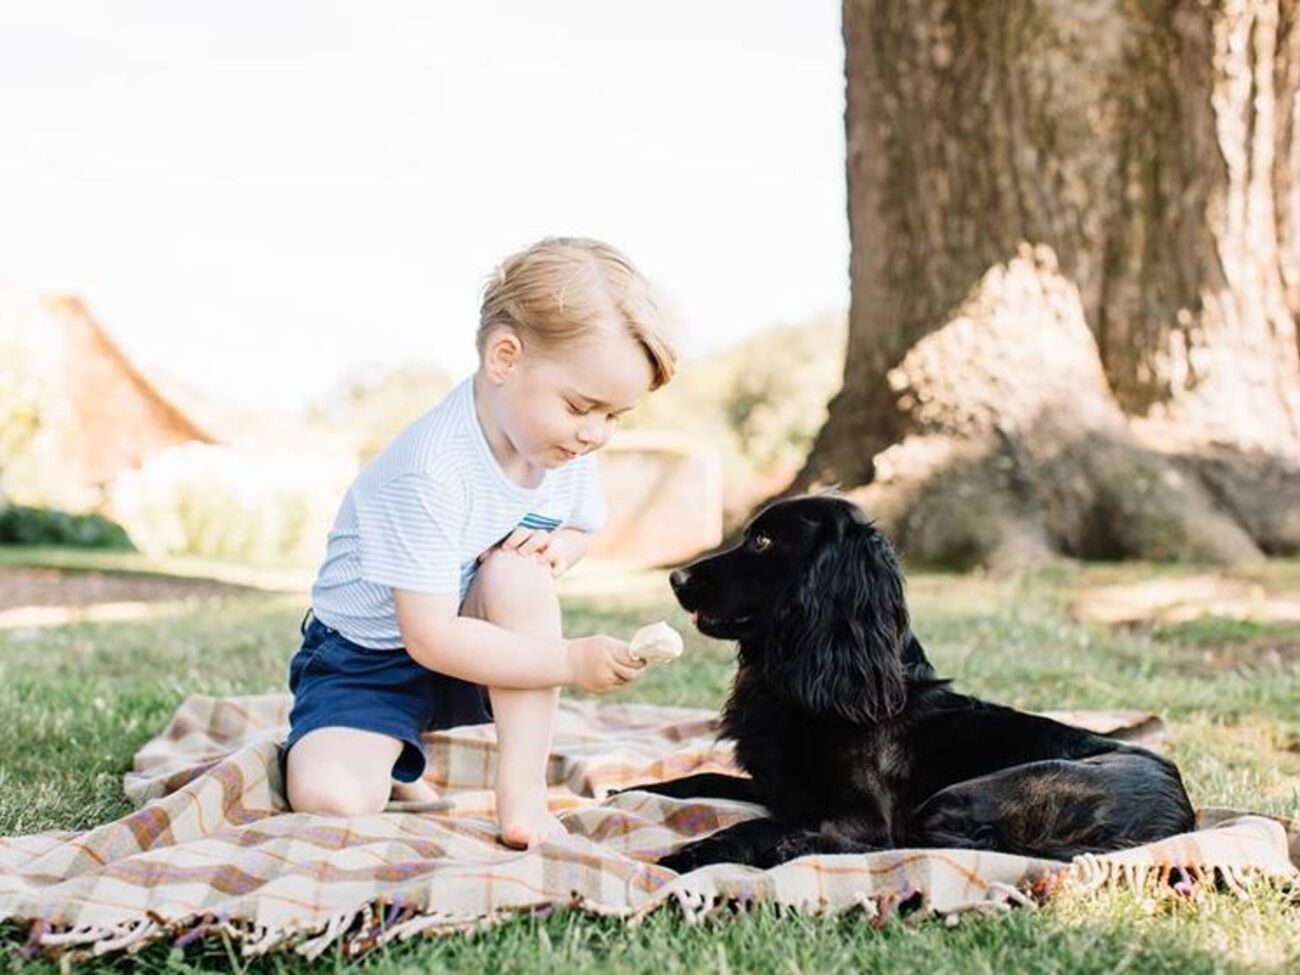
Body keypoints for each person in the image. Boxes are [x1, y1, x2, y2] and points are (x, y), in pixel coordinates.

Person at [281, 237, 678, 848]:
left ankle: (521, 796)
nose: (596, 433)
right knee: (332, 801)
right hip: (369, 660)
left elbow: (578, 527)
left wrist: (558, 551)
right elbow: (430, 637)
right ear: (505, 357)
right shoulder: (430, 470)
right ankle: (381, 749)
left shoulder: (561, 446)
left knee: (518, 572)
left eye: (614, 416)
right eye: (582, 406)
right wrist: (570, 661)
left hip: (477, 643)